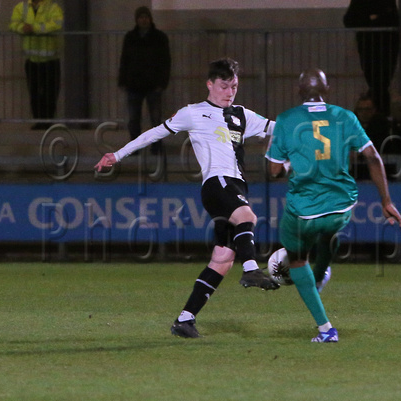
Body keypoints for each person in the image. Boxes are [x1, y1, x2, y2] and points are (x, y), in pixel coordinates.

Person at [95, 58, 280, 339]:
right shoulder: (194, 113)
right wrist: (117, 155)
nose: (229, 92)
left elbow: (276, 127)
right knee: (247, 217)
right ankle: (252, 268)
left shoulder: (242, 115)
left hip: (236, 185)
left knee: (222, 259)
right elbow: (154, 133)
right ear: (210, 84)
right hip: (218, 183)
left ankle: (185, 319)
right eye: (224, 86)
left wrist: (311, 131)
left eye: (234, 86)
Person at [266, 68, 401, 342]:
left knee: (296, 258)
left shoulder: (286, 120)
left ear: (298, 92)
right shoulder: (345, 117)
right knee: (329, 230)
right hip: (341, 205)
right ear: (327, 90)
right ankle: (319, 276)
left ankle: (326, 328)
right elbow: (373, 157)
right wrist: (386, 200)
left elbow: (272, 171)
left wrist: (287, 163)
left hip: (304, 209)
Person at [118, 6, 172, 154]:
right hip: (134, 84)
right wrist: (123, 80)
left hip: (153, 84)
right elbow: (124, 60)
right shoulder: (130, 37)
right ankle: (135, 146)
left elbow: (165, 62)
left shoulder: (159, 38)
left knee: (155, 119)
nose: (143, 20)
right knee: (134, 120)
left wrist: (162, 83)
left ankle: (156, 146)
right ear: (137, 19)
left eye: (146, 17)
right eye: (141, 17)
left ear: (150, 19)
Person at [9, 0, 64, 130]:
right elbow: (13, 24)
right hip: (32, 60)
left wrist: (34, 28)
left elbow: (57, 24)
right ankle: (39, 121)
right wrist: (22, 28)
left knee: (50, 93)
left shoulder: (52, 6)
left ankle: (47, 122)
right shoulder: (21, 7)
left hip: (50, 59)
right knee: (34, 92)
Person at [343, 0, 400, 115]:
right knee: (376, 82)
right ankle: (381, 114)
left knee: (381, 82)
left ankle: (378, 113)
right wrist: (372, 20)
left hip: (387, 48)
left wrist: (371, 20)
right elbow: (348, 20)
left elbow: (394, 19)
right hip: (369, 48)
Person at [352, 93, 393, 179]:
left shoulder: (381, 125)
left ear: (374, 110)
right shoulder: (351, 126)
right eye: (360, 109)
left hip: (382, 170)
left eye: (368, 109)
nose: (364, 113)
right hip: (357, 172)